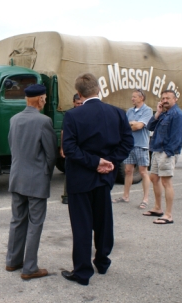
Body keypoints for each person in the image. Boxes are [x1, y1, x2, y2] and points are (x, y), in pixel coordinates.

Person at [61, 73, 133, 285]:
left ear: (80, 93)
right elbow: (128, 142)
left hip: (80, 178)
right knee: (103, 222)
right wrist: (109, 161)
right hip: (104, 178)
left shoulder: (73, 116)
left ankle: (82, 272)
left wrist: (95, 162)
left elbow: (70, 149)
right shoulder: (117, 113)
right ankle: (102, 262)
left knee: (82, 226)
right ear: (98, 89)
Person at [6, 84, 58, 280]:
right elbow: (51, 154)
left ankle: (12, 261)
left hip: (17, 176)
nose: (45, 101)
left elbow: (13, 146)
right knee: (35, 223)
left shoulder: (14, 119)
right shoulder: (44, 121)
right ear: (40, 99)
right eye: (44, 98)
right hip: (36, 179)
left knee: (17, 220)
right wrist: (46, 173)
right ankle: (29, 268)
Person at [143, 90, 182, 224]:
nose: (165, 100)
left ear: (175, 99)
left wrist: (168, 153)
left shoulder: (177, 114)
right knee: (154, 178)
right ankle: (157, 208)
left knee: (166, 182)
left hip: (167, 152)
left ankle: (168, 215)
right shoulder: (164, 113)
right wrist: (158, 112)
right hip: (157, 149)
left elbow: (177, 137)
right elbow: (149, 126)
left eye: (168, 98)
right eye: (163, 98)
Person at [112, 89, 153, 209]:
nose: (132, 99)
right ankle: (125, 196)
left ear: (141, 98)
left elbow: (140, 126)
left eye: (135, 97)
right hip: (129, 145)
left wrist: (133, 124)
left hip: (141, 145)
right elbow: (125, 127)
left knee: (143, 172)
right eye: (132, 97)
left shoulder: (148, 110)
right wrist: (132, 124)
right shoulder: (129, 111)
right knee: (128, 171)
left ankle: (145, 199)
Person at [60, 93, 83, 204]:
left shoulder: (86, 113)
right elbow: (63, 132)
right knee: (69, 169)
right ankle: (66, 195)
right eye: (77, 103)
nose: (79, 105)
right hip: (71, 146)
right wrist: (62, 147)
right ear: (73, 102)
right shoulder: (69, 114)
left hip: (82, 146)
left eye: (81, 103)